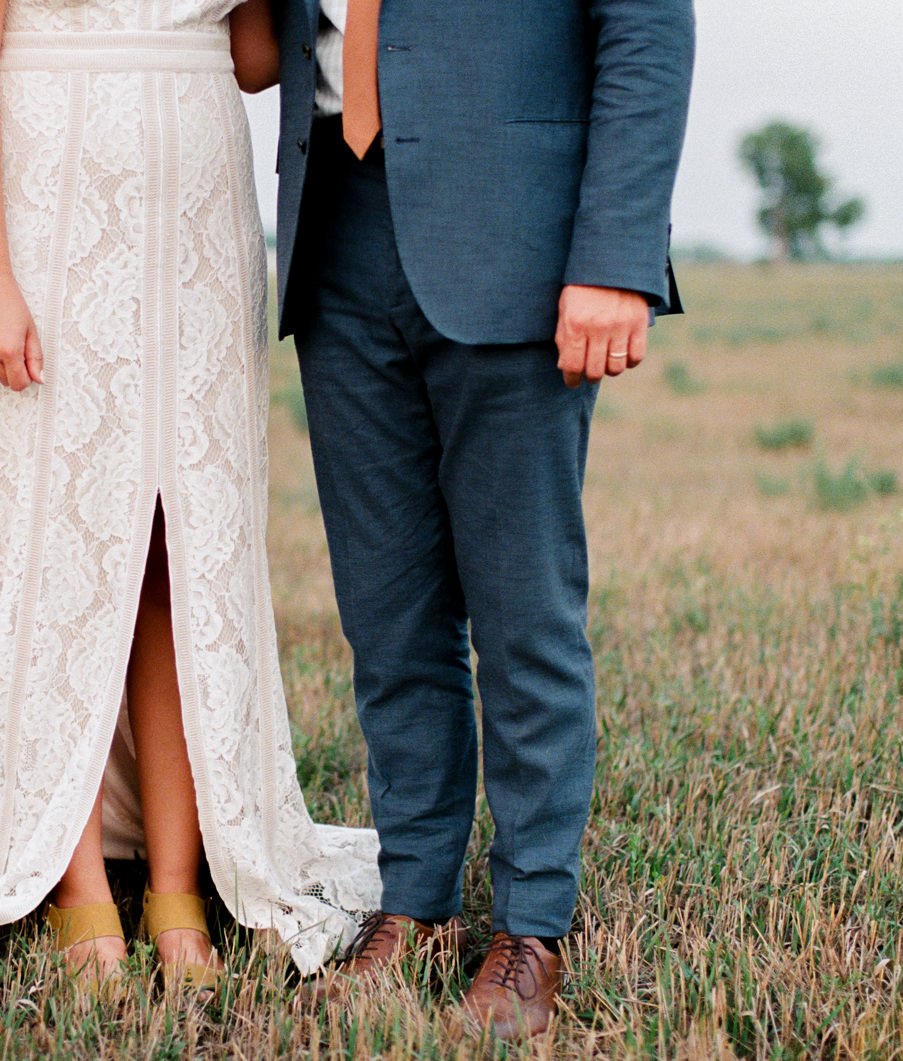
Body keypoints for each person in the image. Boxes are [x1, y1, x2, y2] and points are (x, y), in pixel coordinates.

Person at [0, 0, 381, 992]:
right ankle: (77, 884)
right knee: (53, 548)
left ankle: (176, 886)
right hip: (46, 216)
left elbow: (252, 59)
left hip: (199, 231)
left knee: (179, 551)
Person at [269, 0, 695, 1040]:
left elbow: (645, 28)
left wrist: (615, 256)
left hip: (519, 232)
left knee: (522, 611)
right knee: (387, 612)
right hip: (334, 225)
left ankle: (532, 927)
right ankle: (413, 902)